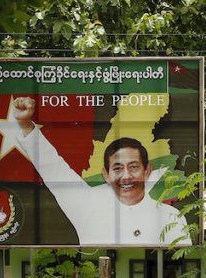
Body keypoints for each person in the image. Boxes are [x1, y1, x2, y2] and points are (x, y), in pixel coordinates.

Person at [11, 96, 191, 246]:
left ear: (147, 170)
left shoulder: (170, 217)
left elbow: (181, 267)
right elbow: (53, 167)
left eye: (134, 167)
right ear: (106, 174)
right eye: (117, 168)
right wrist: (26, 125)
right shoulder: (87, 204)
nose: (126, 176)